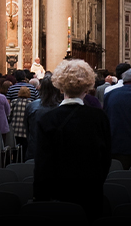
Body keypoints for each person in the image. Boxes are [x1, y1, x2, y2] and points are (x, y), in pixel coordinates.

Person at [34, 59, 112, 218]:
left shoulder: (47, 119)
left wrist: (40, 198)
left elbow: (42, 163)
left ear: (61, 87)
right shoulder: (99, 117)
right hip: (91, 192)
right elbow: (106, 159)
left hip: (57, 195)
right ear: (87, 87)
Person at [9, 85, 33, 153]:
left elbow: (9, 115)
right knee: (24, 149)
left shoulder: (14, 102)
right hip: (25, 131)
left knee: (15, 149)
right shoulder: (30, 103)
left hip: (14, 129)